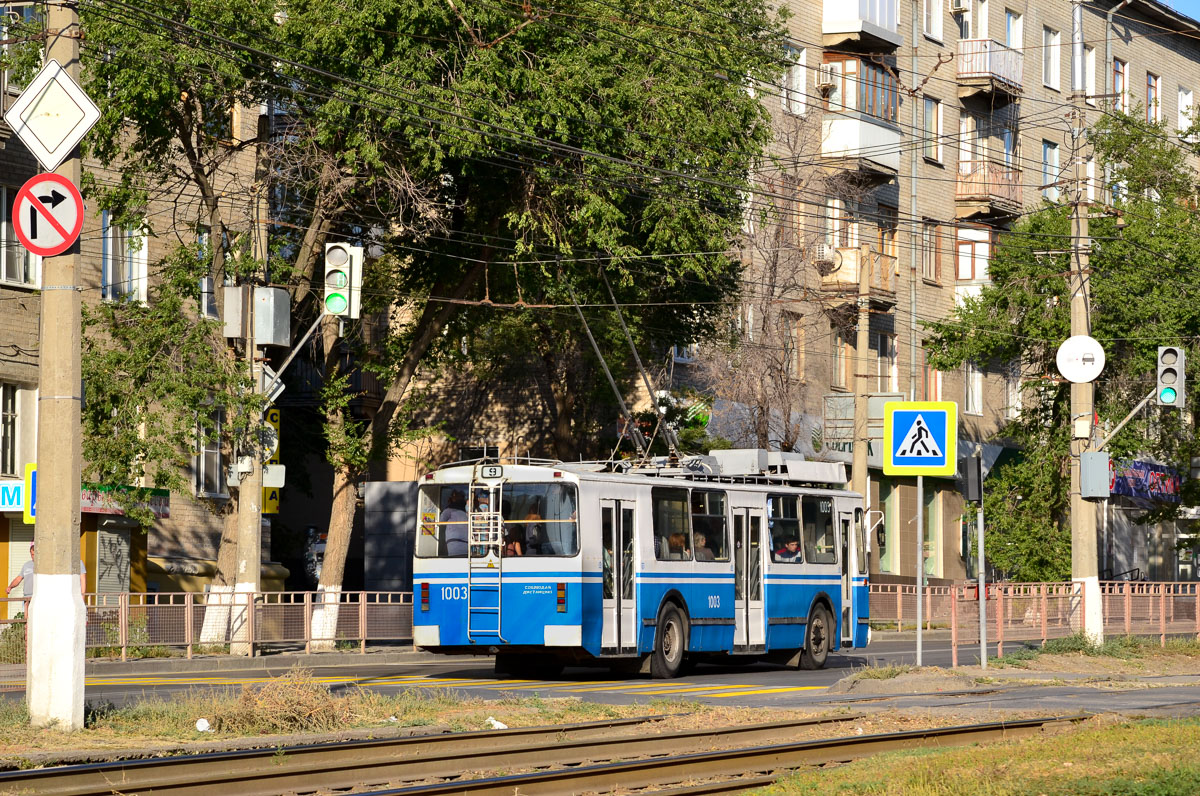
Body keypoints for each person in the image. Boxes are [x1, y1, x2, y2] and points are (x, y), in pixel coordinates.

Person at [441, 491, 469, 557]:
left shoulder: (448, 510)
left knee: (454, 560)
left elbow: (441, 521)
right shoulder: (466, 511)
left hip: (453, 539)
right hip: (467, 540)